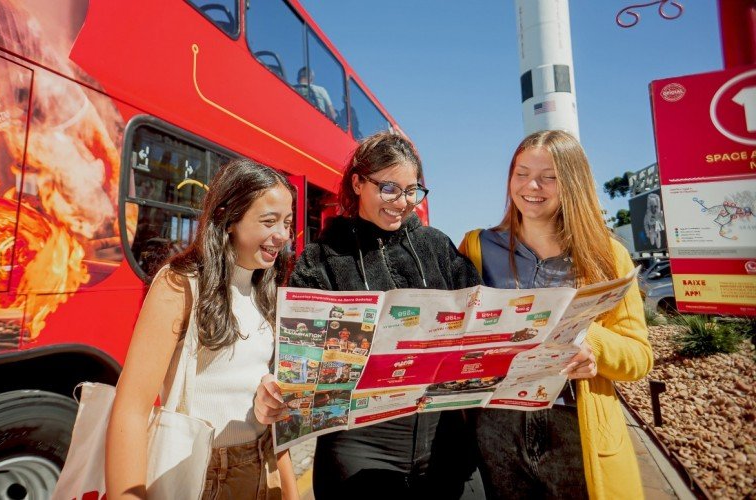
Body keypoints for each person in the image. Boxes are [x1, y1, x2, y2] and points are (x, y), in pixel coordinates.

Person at [255, 131, 484, 499]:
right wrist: (277, 386)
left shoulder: (437, 247)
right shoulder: (321, 259)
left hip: (446, 441)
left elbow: (477, 316)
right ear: (358, 182)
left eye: (412, 190)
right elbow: (291, 352)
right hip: (358, 447)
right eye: (389, 188)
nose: (402, 202)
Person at [458, 130, 653, 499]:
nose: (532, 186)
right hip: (497, 423)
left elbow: (639, 357)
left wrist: (590, 343)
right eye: (521, 173)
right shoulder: (476, 246)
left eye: (549, 176)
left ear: (572, 183)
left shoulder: (608, 255)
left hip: (575, 425)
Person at [106, 159, 299, 500]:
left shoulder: (264, 290)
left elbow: (266, 409)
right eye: (269, 221)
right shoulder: (179, 284)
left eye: (286, 222)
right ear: (229, 220)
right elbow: (131, 408)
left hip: (262, 465)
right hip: (204, 474)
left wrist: (290, 491)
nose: (282, 235)